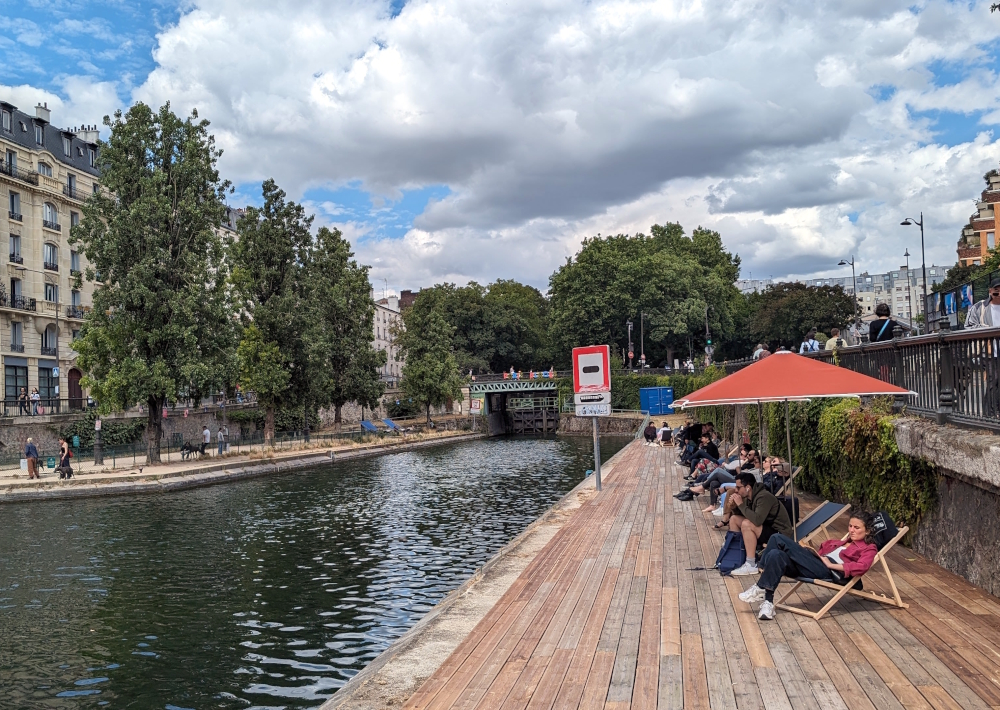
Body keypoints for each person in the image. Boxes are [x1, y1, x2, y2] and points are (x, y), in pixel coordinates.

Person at [739, 512, 878, 620]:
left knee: (776, 538)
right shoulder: (841, 542)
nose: (851, 530)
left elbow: (862, 566)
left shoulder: (868, 548)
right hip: (814, 564)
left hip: (826, 570)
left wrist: (831, 564)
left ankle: (759, 585)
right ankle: (768, 604)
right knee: (776, 554)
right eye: (850, 526)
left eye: (857, 527)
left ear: (867, 531)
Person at [727, 472, 794, 576]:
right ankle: (737, 555)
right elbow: (745, 513)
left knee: (747, 524)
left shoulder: (763, 497)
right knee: (734, 519)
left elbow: (757, 520)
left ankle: (751, 564)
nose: (736, 490)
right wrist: (734, 507)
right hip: (767, 528)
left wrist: (740, 504)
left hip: (780, 534)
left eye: (738, 487)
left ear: (748, 487)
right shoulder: (749, 497)